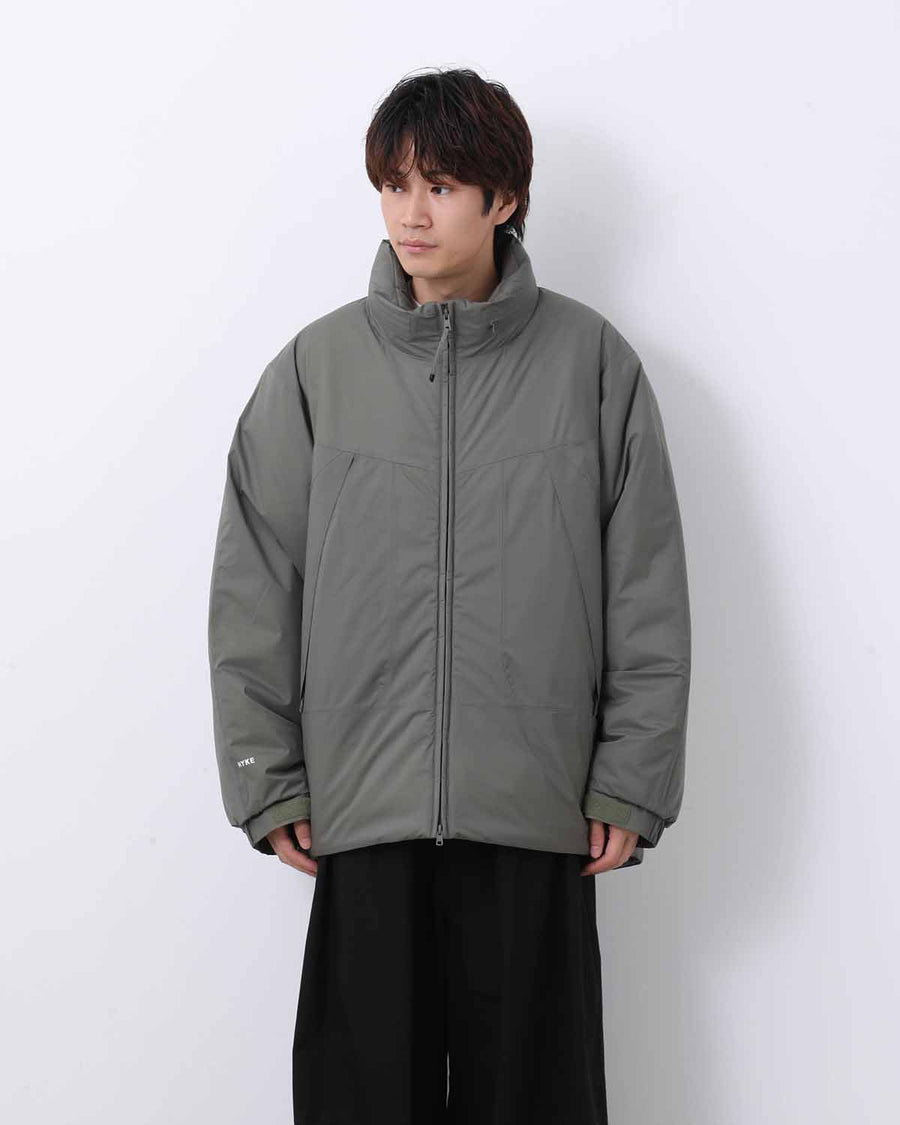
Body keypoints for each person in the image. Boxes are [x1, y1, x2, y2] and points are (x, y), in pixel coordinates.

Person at [207, 66, 691, 1125]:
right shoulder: (317, 370)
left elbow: (647, 590)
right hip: (363, 807)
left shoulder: (591, 367)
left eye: (440, 186)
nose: (411, 214)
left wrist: (630, 781)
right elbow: (255, 584)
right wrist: (267, 778)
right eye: (394, 185)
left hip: (535, 809)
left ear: (503, 198)